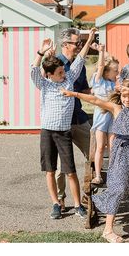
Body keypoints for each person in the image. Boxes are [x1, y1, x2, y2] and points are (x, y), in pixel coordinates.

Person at [63, 80, 129, 242]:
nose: (128, 100)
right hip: (121, 149)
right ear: (120, 96)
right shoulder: (116, 108)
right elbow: (96, 100)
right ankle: (108, 230)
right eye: (125, 96)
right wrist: (74, 94)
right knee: (118, 187)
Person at [30, 30, 95, 220]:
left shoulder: (68, 81)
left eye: (63, 71)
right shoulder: (45, 85)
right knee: (50, 170)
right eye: (59, 72)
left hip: (64, 132)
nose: (64, 73)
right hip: (47, 132)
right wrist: (41, 53)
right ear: (49, 75)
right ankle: (56, 204)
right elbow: (34, 71)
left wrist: (89, 40)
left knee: (70, 171)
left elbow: (79, 60)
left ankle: (77, 205)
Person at [55, 27, 96, 210]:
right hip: (60, 121)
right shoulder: (54, 63)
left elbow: (84, 90)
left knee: (94, 153)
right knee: (60, 165)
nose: (79, 46)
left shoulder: (80, 66)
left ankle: (88, 194)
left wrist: (100, 87)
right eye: (76, 43)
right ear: (65, 44)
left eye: (81, 42)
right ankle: (60, 200)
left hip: (79, 118)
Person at [90, 45, 119, 185]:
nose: (117, 73)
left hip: (112, 118)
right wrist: (101, 52)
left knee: (113, 147)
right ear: (107, 72)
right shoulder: (98, 81)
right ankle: (98, 174)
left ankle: (113, 174)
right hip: (101, 118)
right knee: (100, 146)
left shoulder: (114, 85)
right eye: (115, 71)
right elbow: (101, 65)